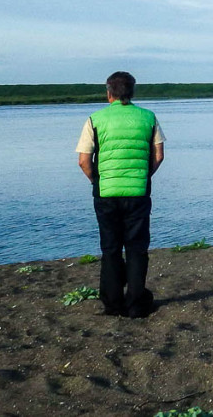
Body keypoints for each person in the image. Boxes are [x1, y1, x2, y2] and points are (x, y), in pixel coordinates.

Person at [75, 71, 165, 318]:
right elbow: (158, 156)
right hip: (138, 190)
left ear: (109, 92)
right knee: (137, 247)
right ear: (132, 92)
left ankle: (113, 304)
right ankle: (136, 304)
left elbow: (83, 161)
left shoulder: (95, 119)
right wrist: (143, 177)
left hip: (106, 191)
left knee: (111, 247)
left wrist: (97, 181)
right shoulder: (148, 117)